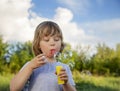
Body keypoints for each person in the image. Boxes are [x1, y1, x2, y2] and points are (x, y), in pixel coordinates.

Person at [10, 21, 76, 91]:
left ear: (61, 43)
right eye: (46, 40)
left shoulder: (64, 68)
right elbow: (14, 88)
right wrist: (30, 67)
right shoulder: (32, 65)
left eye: (56, 39)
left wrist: (66, 83)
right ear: (38, 45)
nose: (52, 43)